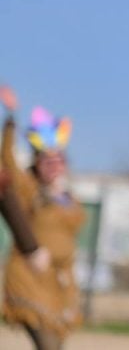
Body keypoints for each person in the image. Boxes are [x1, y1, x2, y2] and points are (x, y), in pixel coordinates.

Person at [0, 86, 84, 350]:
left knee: (56, 345)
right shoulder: (29, 189)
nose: (53, 165)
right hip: (30, 274)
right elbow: (7, 165)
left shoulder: (69, 198)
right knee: (47, 345)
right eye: (47, 160)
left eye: (58, 160)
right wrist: (11, 119)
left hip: (58, 281)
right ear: (36, 162)